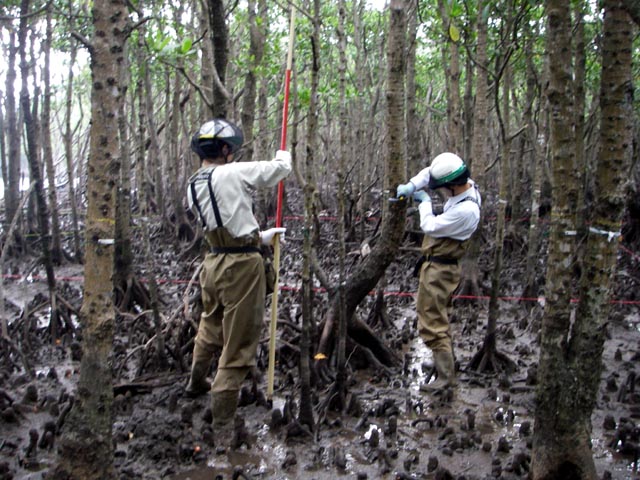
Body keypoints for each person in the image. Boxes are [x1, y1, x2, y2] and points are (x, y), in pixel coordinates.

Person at [185, 118, 292, 426]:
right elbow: (276, 171)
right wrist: (283, 154)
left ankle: (195, 384)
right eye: (230, 148)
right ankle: (221, 426)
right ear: (224, 150)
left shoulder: (193, 184)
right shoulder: (231, 171)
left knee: (210, 326)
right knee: (239, 344)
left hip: (213, 262)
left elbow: (223, 223)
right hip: (242, 266)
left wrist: (262, 235)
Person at [396, 152, 481, 392]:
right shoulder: (467, 186)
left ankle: (445, 378)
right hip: (436, 265)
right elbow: (429, 174)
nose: (440, 191)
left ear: (453, 185)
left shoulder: (467, 211)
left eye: (443, 188)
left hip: (441, 270)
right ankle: (443, 366)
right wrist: (412, 185)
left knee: (432, 320)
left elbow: (430, 225)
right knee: (437, 316)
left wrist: (424, 202)